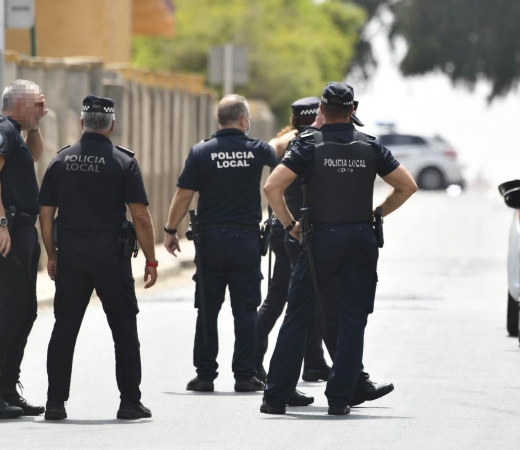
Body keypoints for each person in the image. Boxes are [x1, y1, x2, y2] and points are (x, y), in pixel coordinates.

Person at [261, 82, 418, 416]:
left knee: (298, 314)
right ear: (352, 110)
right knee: (352, 319)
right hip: (361, 239)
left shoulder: (308, 145)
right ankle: (339, 398)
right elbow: (408, 186)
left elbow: (272, 186)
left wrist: (290, 226)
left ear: (322, 110)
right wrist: (377, 214)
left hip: (320, 241)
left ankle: (275, 398)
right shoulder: (370, 146)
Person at [163, 94, 297, 395]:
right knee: (245, 309)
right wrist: (297, 130)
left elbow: (183, 195)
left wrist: (171, 230)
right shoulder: (255, 150)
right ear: (245, 121)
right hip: (246, 242)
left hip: (210, 242)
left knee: (208, 310)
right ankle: (244, 376)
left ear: (219, 120)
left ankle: (206, 376)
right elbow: (277, 148)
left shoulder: (201, 152)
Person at [38, 95, 158, 420]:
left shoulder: (60, 161)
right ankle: (130, 402)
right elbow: (141, 217)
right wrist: (150, 259)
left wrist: (52, 254)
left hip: (72, 254)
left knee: (64, 328)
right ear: (112, 125)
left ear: (81, 123)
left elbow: (45, 215)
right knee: (123, 329)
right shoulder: (123, 162)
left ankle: (54, 403)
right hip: (111, 255)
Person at [256, 98, 330, 383]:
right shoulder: (311, 144)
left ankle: (313, 363)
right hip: (293, 228)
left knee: (301, 299)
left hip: (284, 227)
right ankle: (250, 362)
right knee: (283, 299)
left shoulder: (285, 142)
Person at [0, 80, 48, 419]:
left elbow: (34, 156)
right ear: (18, 105)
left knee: (26, 310)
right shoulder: (3, 129)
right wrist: (1, 223)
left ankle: (7, 387)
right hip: (11, 231)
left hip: (23, 230)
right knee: (11, 311)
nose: (44, 110)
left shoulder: (18, 131)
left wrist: (37, 124)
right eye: (38, 105)